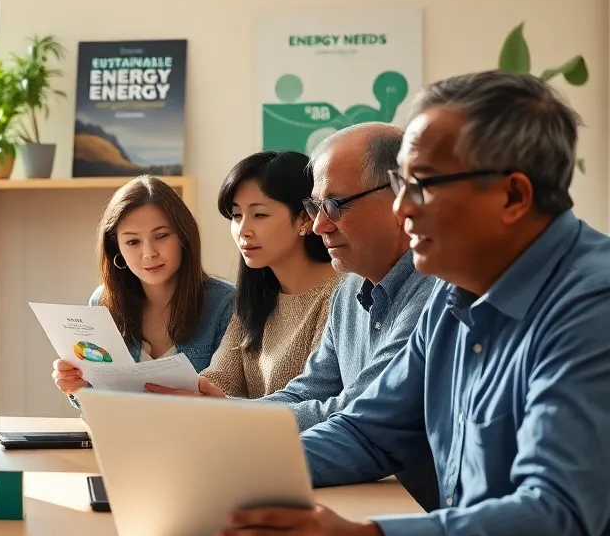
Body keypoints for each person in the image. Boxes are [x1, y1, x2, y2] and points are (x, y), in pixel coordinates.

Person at [215, 71, 610, 536]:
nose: (401, 210)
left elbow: (553, 518)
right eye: (399, 185)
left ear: (513, 196)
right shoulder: (454, 293)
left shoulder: (591, 307)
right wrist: (222, 470)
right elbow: (366, 431)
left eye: (421, 186)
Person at [154, 124, 440, 510]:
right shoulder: (349, 293)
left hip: (419, 511)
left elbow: (357, 416)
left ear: (400, 196)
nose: (320, 225)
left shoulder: (433, 293)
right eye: (315, 207)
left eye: (336, 204)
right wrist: (217, 415)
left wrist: (229, 449)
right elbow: (307, 392)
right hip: (372, 500)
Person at [51, 176, 235, 401]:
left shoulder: (225, 303)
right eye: (133, 242)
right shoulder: (102, 303)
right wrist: (78, 387)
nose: (149, 253)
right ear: (116, 248)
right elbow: (98, 401)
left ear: (184, 237)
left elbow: (232, 400)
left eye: (161, 236)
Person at [201, 151, 342, 398]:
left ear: (305, 218)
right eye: (236, 215)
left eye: (259, 215)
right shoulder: (255, 296)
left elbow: (315, 400)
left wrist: (222, 404)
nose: (243, 230)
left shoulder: (342, 293)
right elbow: (219, 380)